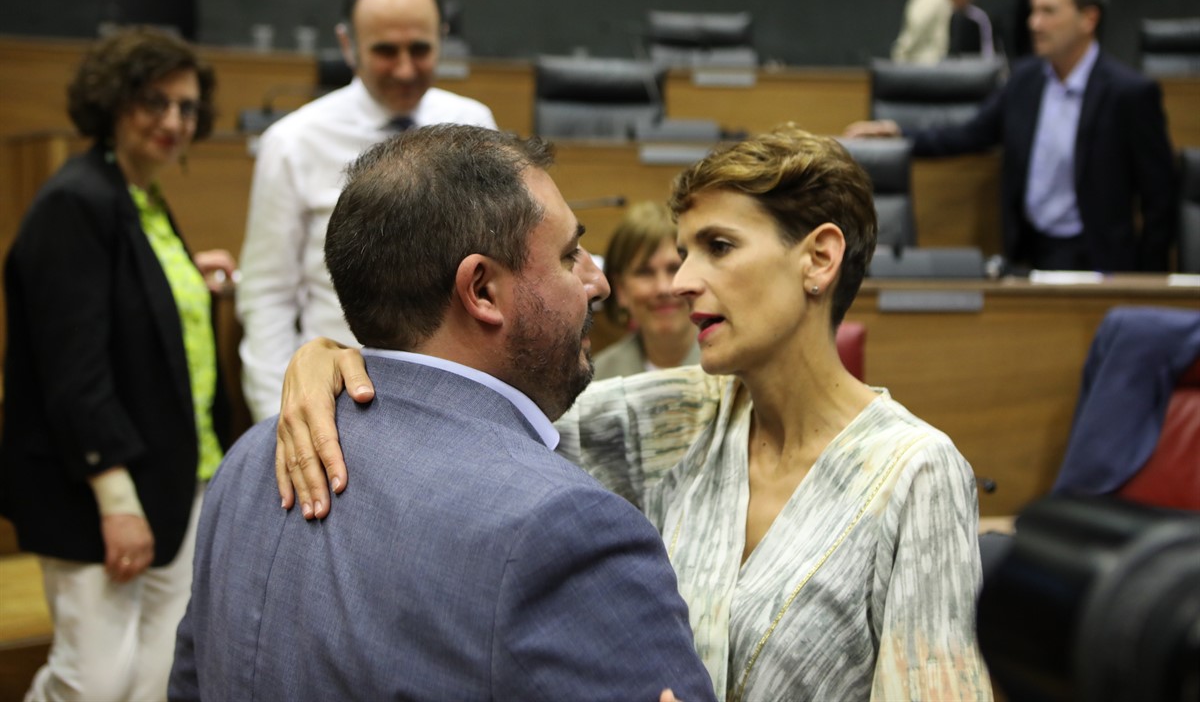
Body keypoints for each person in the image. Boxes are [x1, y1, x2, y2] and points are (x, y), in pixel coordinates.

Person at [273, 126, 993, 701]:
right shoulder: (678, 416)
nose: (680, 282)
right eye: (683, 253)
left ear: (819, 258)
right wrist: (333, 359)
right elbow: (473, 420)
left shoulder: (917, 473)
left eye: (718, 247)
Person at [169, 125, 716, 702]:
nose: (597, 281)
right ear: (481, 290)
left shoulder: (256, 457)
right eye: (569, 254)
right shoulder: (563, 528)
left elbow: (189, 685)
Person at [0, 26, 234, 702]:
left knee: (157, 677)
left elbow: (127, 305)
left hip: (179, 475)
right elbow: (73, 369)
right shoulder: (76, 201)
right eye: (154, 102)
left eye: (187, 108)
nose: (173, 121)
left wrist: (189, 276)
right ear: (112, 102)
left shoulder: (142, 197)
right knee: (93, 682)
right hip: (102, 490)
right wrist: (117, 502)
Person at [236, 0, 497, 422]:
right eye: (385, 51)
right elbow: (267, 297)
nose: (405, 68)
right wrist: (277, 421)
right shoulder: (293, 142)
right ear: (347, 45)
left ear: (443, 35)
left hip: (461, 397)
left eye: (421, 48)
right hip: (339, 404)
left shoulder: (475, 126)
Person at [847, 0, 1176, 273]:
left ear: (1088, 18)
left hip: (1103, 262)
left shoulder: (1129, 94)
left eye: (1049, 11)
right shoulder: (1024, 81)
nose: (1034, 23)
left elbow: (1159, 197)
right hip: (1031, 256)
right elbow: (970, 134)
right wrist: (898, 135)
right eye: (1033, 11)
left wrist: (1146, 278)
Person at [594, 201, 700, 379]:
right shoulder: (596, 383)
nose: (663, 288)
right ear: (621, 289)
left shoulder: (738, 367)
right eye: (644, 272)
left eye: (674, 268)